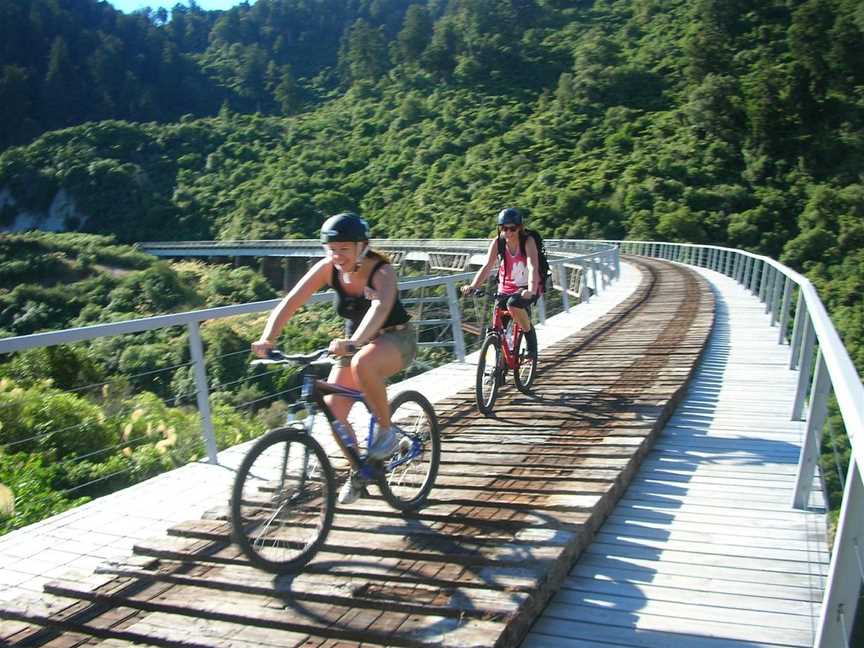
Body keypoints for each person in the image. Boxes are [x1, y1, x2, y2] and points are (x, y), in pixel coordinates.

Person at [252, 212, 416, 504]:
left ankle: (387, 431)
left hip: (395, 337)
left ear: (362, 246)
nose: (337, 255)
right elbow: (291, 302)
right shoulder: (328, 269)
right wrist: (269, 337)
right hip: (352, 346)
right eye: (332, 248)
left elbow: (379, 307)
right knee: (334, 412)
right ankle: (361, 472)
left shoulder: (381, 271)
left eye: (344, 249)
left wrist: (354, 342)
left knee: (363, 363)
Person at [461, 207, 539, 356]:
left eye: (512, 228)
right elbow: (487, 266)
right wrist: (472, 286)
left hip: (525, 287)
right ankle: (498, 369)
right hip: (504, 289)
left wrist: (531, 290)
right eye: (504, 228)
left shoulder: (528, 241)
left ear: (520, 228)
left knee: (513, 305)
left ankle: (530, 339)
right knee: (496, 331)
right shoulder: (498, 242)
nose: (508, 232)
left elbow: (532, 265)